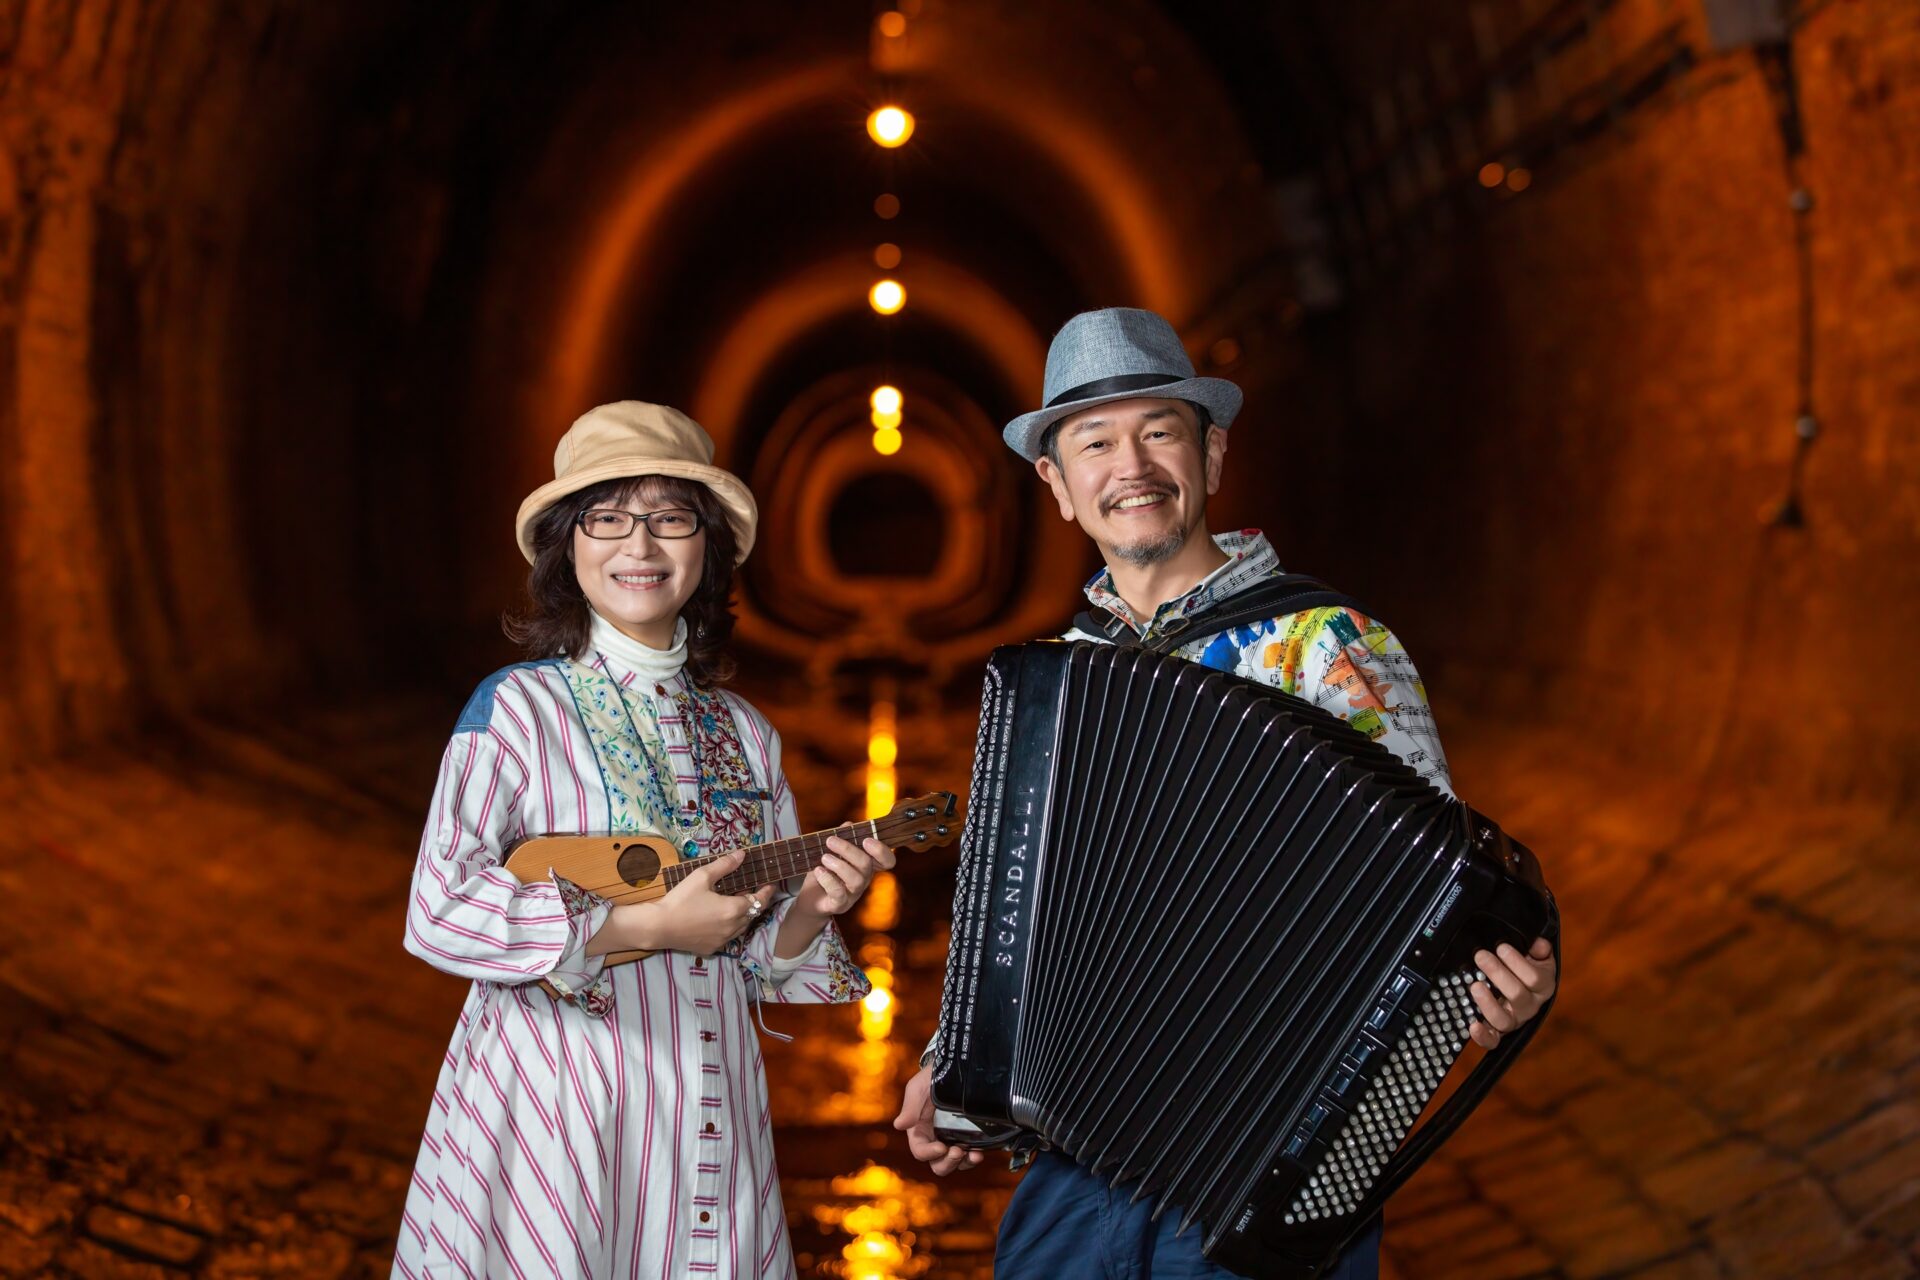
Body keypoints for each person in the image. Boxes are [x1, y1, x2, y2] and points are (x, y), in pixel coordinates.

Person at [893, 308, 1559, 1279]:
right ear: (1058, 486)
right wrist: (955, 1063)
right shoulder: (1054, 682)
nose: (1132, 465)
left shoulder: (1331, 646)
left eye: (1159, 431)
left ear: (1210, 455)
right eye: (1095, 442)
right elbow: (1020, 912)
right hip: (1075, 1183)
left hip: (1260, 1170)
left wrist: (1490, 986)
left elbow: (1438, 901)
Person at [393, 401, 894, 1279]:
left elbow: (762, 959)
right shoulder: (516, 711)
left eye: (670, 519)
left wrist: (817, 902)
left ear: (708, 550)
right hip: (552, 1118)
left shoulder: (746, 734)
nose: (640, 545)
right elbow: (438, 910)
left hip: (710, 1111)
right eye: (608, 519)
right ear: (567, 547)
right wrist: (642, 928)